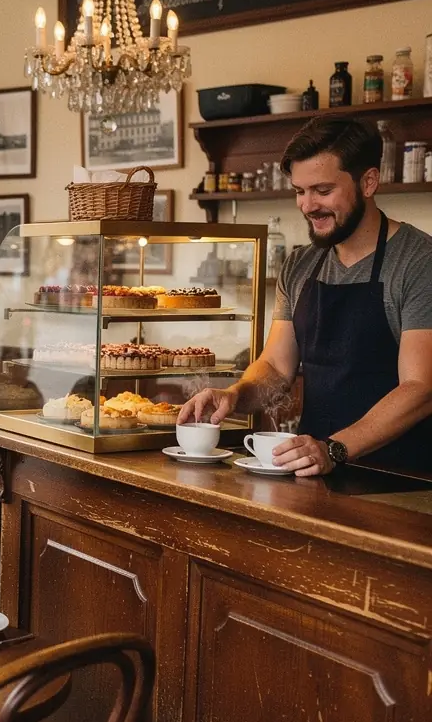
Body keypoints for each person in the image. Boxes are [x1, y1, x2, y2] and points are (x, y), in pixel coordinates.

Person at [180, 116, 432, 475]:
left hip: (399, 480)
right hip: (310, 468)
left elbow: (420, 387)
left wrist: (335, 449)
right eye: (300, 191)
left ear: (369, 182)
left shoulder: (418, 261)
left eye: (323, 190)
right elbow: (276, 368)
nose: (307, 205)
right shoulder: (301, 264)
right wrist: (234, 396)